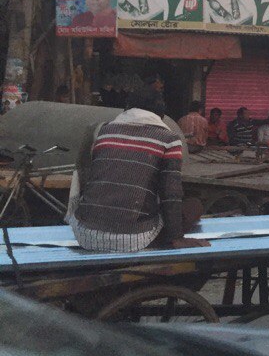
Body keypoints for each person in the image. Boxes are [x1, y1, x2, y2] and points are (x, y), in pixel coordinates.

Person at [69, 86, 209, 252]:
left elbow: (87, 176)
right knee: (194, 205)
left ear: (127, 108)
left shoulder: (104, 131)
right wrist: (176, 238)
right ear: (161, 114)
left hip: (86, 235)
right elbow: (170, 194)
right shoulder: (168, 139)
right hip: (131, 240)